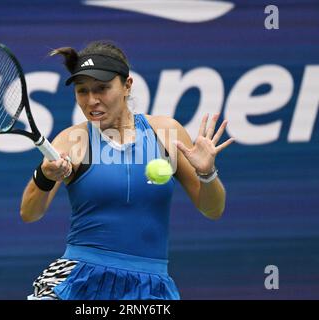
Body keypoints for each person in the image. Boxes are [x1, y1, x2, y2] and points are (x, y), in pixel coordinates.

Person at [21, 40, 234, 300]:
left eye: (102, 88)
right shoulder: (71, 140)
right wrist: (44, 176)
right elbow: (29, 213)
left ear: (127, 85)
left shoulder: (166, 133)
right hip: (78, 279)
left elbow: (212, 209)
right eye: (82, 91)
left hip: (150, 288)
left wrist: (207, 173)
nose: (92, 101)